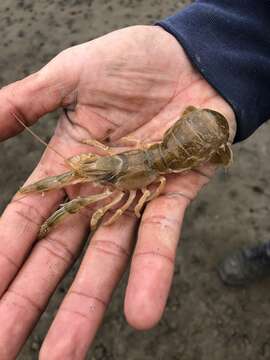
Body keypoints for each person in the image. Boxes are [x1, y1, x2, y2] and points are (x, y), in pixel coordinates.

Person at [0, 1, 269, 359]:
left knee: (91, 208)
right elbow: (108, 162)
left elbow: (107, 208)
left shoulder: (145, 175)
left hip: (187, 141)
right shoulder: (123, 156)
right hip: (177, 138)